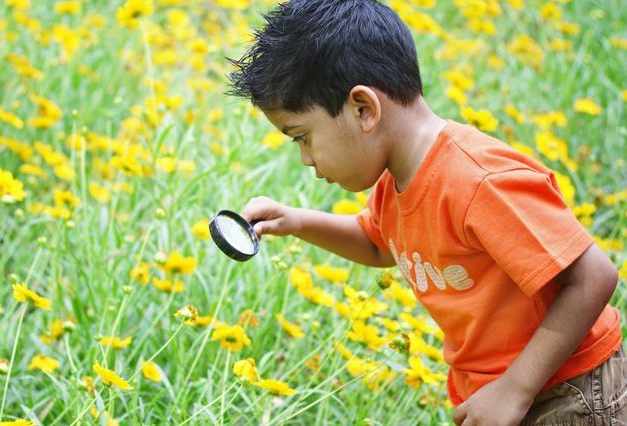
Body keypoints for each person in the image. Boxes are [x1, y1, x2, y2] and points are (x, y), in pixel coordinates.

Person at [226, 0, 625, 424]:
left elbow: (593, 277)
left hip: (568, 388)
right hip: (506, 387)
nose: (306, 158)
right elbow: (381, 245)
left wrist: (515, 390)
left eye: (302, 137)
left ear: (364, 109)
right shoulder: (395, 180)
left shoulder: (478, 182)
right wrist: (297, 221)